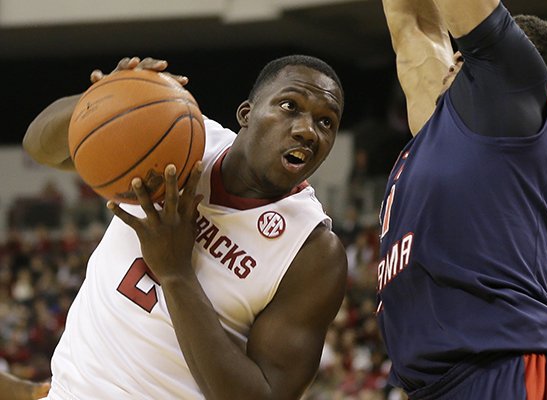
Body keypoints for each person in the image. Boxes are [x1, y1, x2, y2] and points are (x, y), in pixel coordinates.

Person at [22, 55, 348, 399]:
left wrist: (177, 274)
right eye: (289, 106)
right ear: (246, 114)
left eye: (326, 122)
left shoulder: (312, 252)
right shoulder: (176, 135)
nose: (308, 131)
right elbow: (40, 146)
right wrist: (106, 97)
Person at [377, 0, 547, 398]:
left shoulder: (512, 83)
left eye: (462, 57)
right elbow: (411, 24)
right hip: (445, 380)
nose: (452, 60)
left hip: (505, 364)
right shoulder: (461, 130)